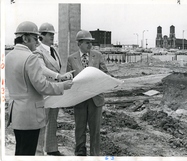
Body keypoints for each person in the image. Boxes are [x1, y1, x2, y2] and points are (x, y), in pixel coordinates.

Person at [5, 21, 73, 156]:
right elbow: (41, 86)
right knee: (29, 152)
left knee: (20, 151)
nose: (37, 42)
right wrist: (62, 86)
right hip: (30, 115)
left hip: (16, 114)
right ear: (25, 38)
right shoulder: (30, 57)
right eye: (35, 38)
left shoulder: (8, 57)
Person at [67, 30, 111, 156]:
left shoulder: (97, 56)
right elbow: (69, 78)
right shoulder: (71, 58)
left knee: (95, 130)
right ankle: (80, 153)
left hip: (95, 98)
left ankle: (95, 155)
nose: (90, 45)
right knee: (79, 128)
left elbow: (105, 73)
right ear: (79, 44)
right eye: (87, 43)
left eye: (91, 43)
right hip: (80, 99)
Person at [33, 22, 73, 156]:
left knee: (53, 120)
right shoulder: (37, 51)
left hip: (54, 91)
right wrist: (59, 76)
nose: (52, 37)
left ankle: (51, 148)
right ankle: (38, 152)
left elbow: (57, 67)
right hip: (44, 92)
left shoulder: (53, 50)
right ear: (41, 36)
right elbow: (42, 69)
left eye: (53, 34)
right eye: (50, 34)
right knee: (42, 121)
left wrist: (63, 77)